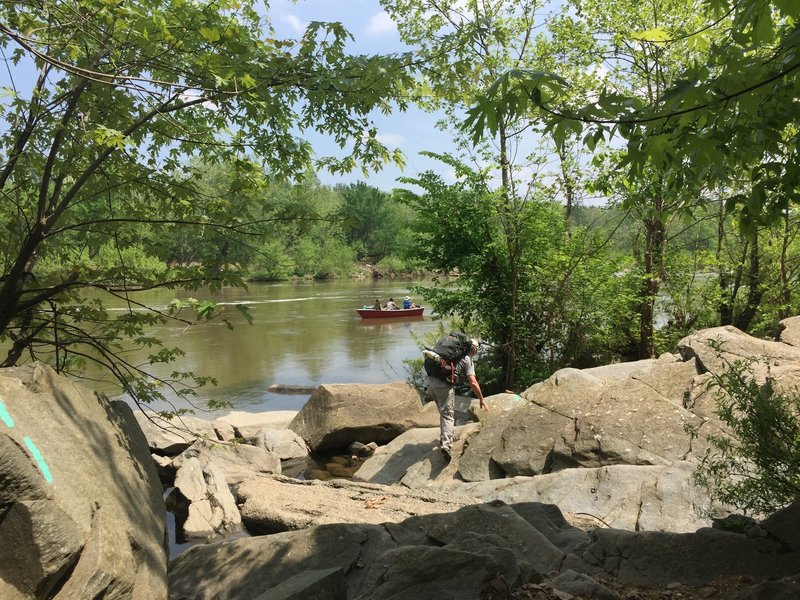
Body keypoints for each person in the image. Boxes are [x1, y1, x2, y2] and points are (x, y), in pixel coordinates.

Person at [426, 338, 488, 459]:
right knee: (448, 416)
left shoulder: (449, 354)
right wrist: (481, 398)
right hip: (443, 387)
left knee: (443, 413)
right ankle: (446, 445)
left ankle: (444, 436)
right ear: (474, 349)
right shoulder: (467, 359)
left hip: (430, 384)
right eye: (477, 350)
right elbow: (473, 382)